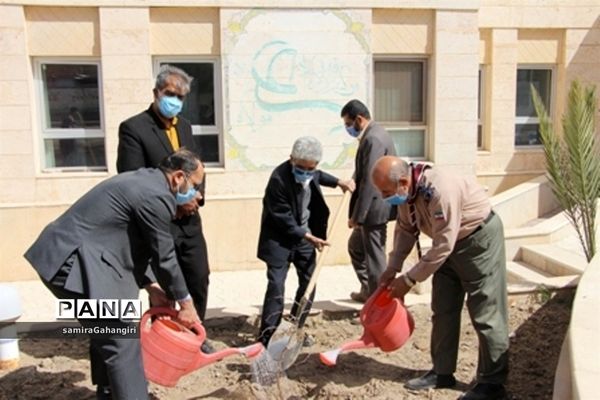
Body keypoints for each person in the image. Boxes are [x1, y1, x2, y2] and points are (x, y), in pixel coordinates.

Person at [24, 149, 204, 400]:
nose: (198, 193)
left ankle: (108, 391)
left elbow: (129, 241)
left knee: (110, 332)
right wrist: (186, 303)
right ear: (178, 177)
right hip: (71, 265)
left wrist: (151, 286)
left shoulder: (143, 181)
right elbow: (164, 255)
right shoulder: (156, 195)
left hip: (63, 259)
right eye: (195, 185)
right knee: (123, 341)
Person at [372, 156, 509, 400]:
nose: (384, 198)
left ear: (403, 181)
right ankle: (442, 372)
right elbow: (406, 229)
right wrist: (392, 268)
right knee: (443, 308)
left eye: (386, 192)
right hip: (445, 248)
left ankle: (492, 384)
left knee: (485, 312)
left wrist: (409, 280)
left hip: (477, 243)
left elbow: (444, 244)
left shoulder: (440, 189)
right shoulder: (407, 192)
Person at [117, 65, 213, 351]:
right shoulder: (134, 128)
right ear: (156, 93)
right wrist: (175, 202)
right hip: (157, 221)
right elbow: (133, 179)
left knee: (198, 277)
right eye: (170, 93)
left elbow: (197, 167)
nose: (175, 100)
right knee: (163, 284)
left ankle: (195, 333)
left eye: (181, 96)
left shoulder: (184, 126)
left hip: (190, 221)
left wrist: (194, 197)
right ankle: (162, 337)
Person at [257, 136, 354, 346]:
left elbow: (319, 176)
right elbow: (282, 217)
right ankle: (268, 334)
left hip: (304, 239)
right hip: (279, 240)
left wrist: (339, 183)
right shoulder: (278, 179)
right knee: (276, 286)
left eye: (310, 168)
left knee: (309, 282)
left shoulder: (311, 173)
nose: (306, 173)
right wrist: (306, 235)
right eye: (301, 167)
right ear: (291, 159)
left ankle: (294, 328)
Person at [340, 99, 397, 303]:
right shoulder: (374, 134)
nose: (348, 128)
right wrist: (352, 179)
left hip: (374, 209)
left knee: (375, 259)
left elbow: (371, 182)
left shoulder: (373, 138)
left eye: (348, 124)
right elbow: (364, 170)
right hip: (372, 206)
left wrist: (358, 216)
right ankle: (368, 290)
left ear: (359, 119)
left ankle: (379, 304)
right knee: (356, 247)